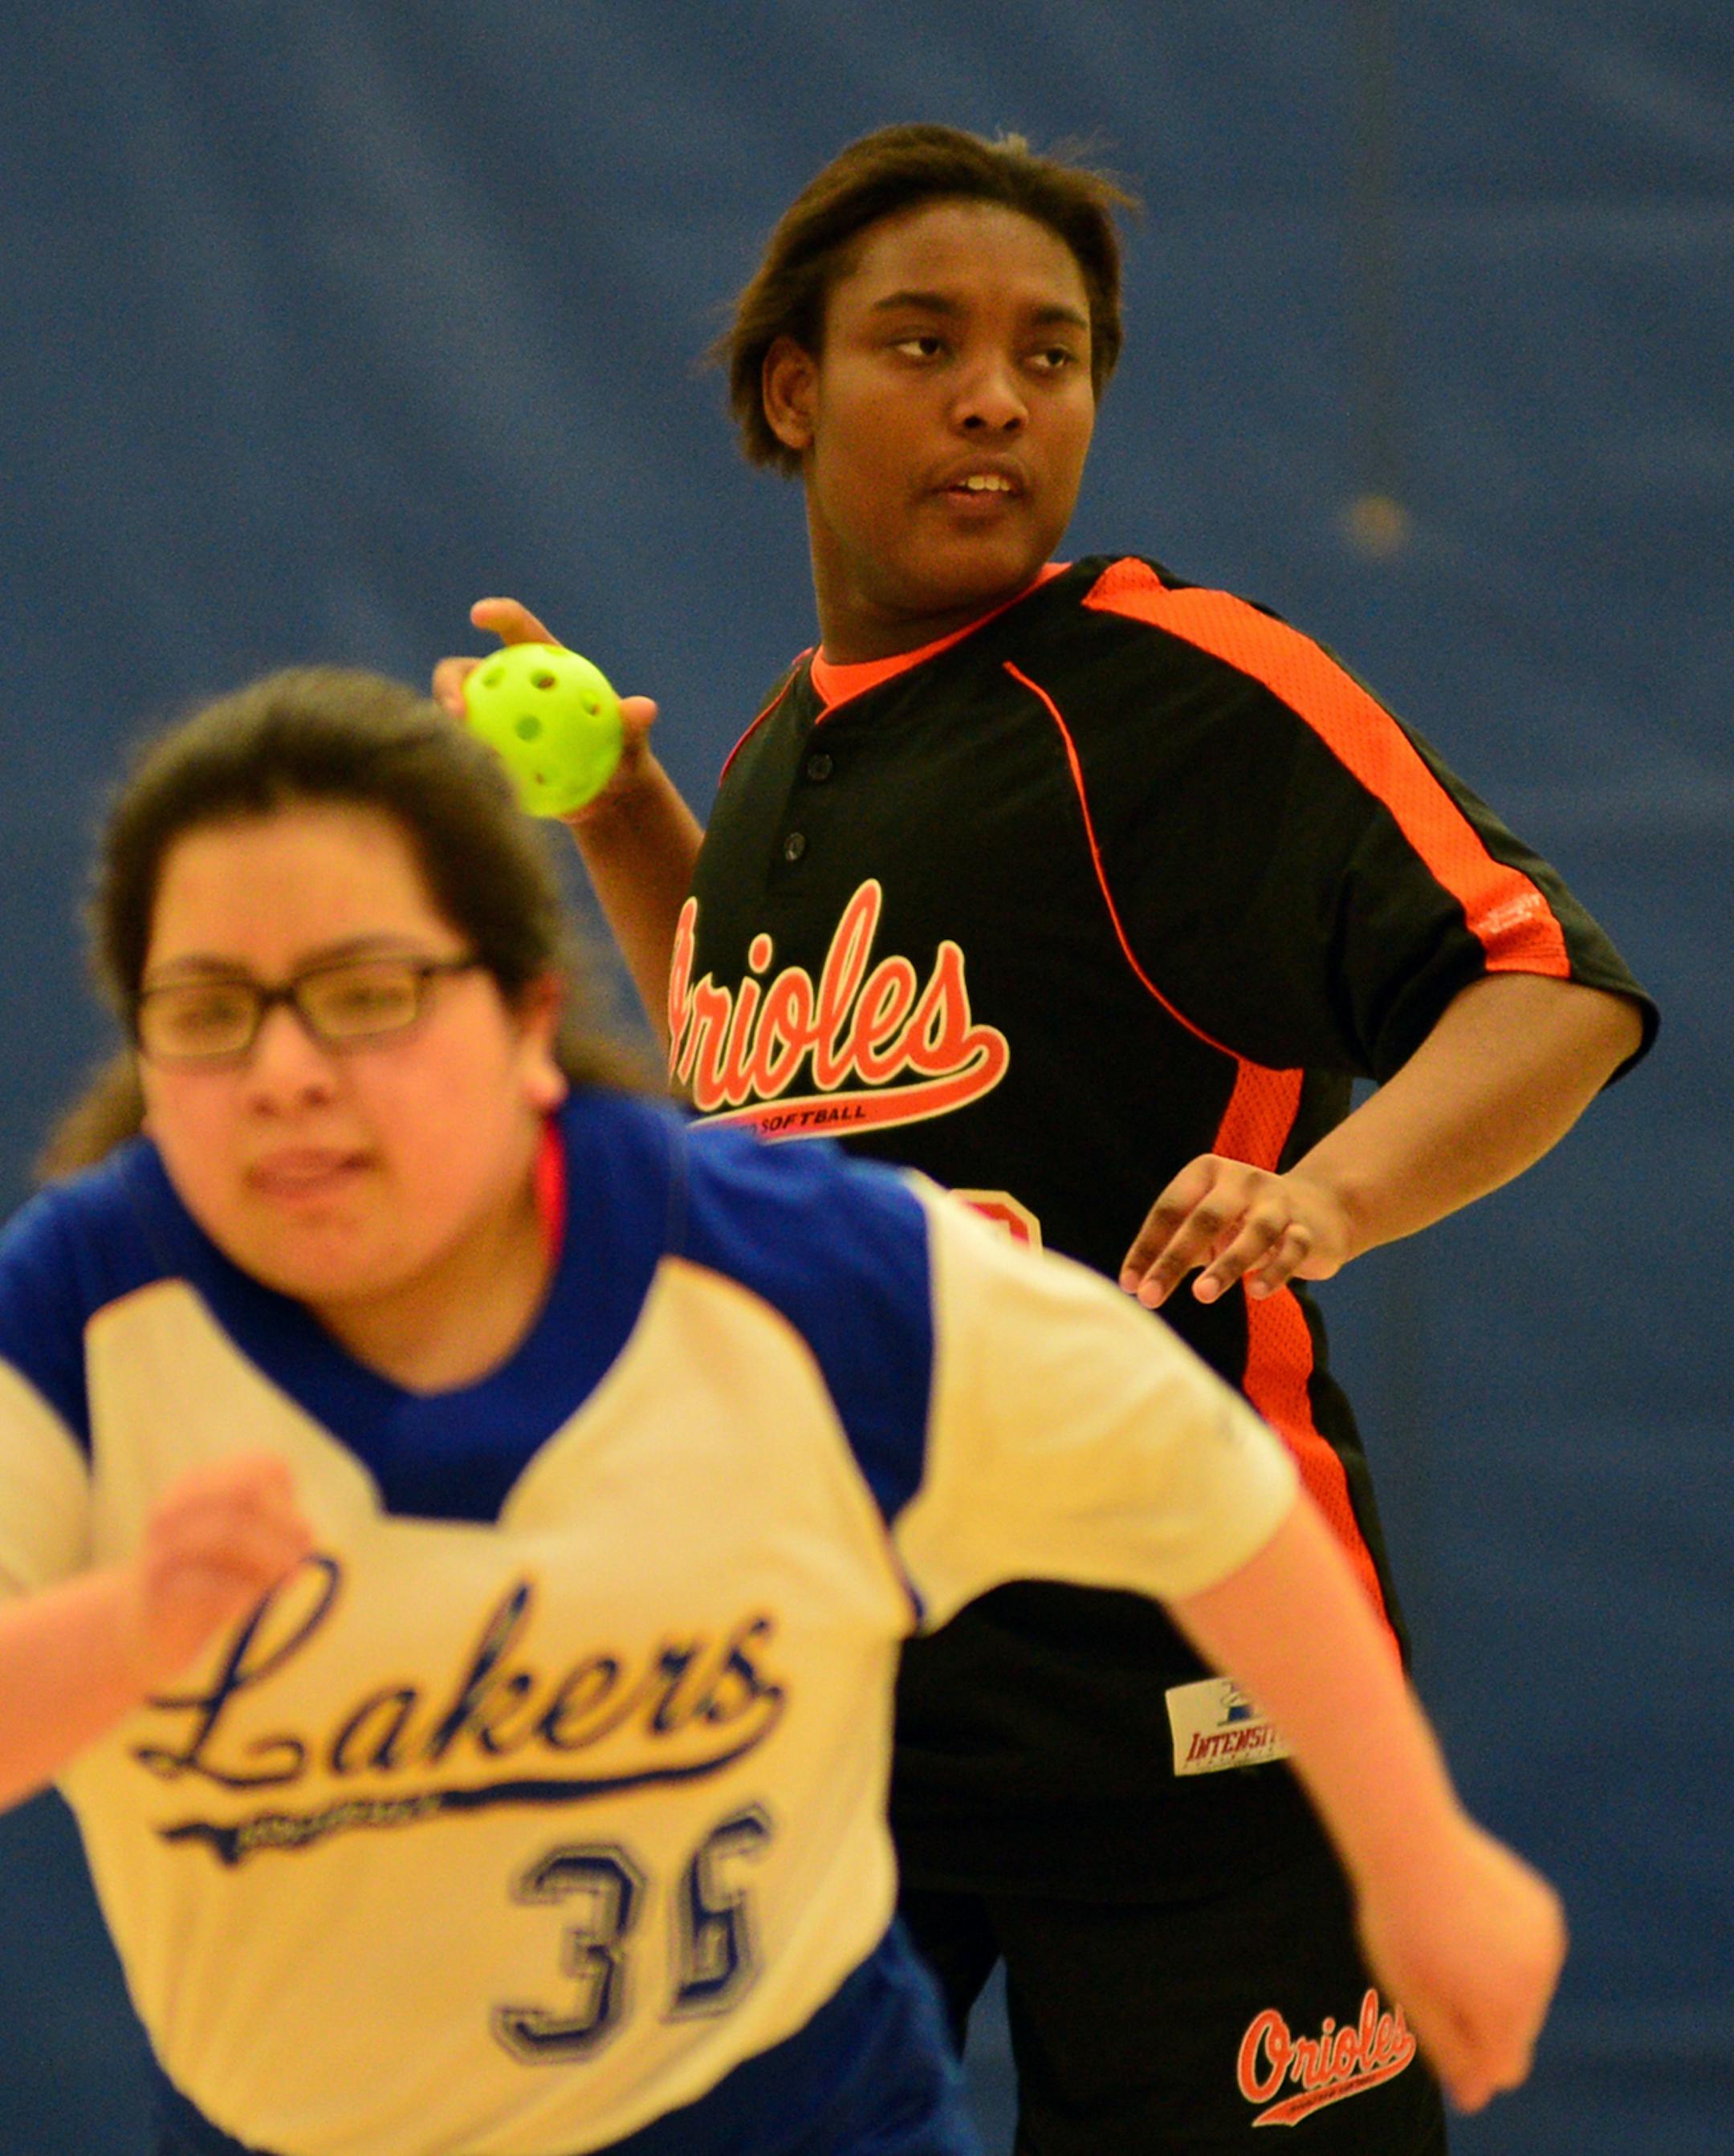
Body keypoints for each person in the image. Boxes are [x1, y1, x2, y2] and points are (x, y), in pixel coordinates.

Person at [434, 124, 1656, 2152]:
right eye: (926, 342)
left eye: (1053, 350)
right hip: (852, 1676)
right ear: (795, 391)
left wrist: (1329, 1188)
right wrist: (625, 813)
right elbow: (775, 1079)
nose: (1000, 391)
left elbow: (1552, 981)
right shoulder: (776, 752)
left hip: (1195, 1685)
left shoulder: (1175, 687)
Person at [0, 667, 1565, 2156]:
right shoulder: (82, 1321)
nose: (283, 1069)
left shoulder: (794, 1275)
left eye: (364, 991)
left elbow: (1202, 1479)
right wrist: (126, 1630)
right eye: (207, 1008)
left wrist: (1418, 1857)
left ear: (528, 1015)